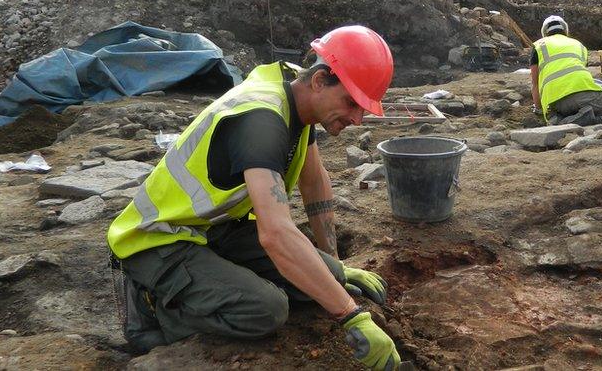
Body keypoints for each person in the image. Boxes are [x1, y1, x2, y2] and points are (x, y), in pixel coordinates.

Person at [107, 25, 400, 370]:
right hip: (157, 239)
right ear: (320, 80)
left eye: (364, 108)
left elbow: (314, 182)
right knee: (266, 309)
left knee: (327, 277)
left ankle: (215, 279)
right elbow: (275, 234)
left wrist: (333, 264)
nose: (356, 118)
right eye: (351, 102)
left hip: (211, 229)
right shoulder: (261, 121)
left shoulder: (296, 94)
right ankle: (153, 309)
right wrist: (351, 314)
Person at [530, 15, 602, 126]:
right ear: (565, 31)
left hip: (554, 101)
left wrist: (539, 111)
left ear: (545, 33)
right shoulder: (579, 45)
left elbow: (535, 84)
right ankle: (586, 119)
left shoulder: (538, 46)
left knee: (558, 114)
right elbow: (578, 72)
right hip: (584, 92)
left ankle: (561, 122)